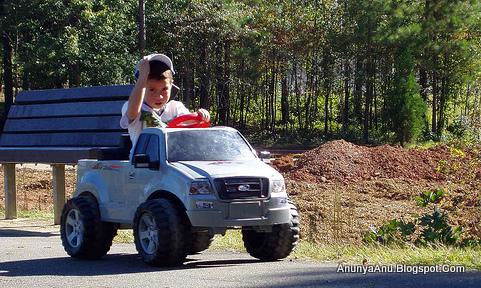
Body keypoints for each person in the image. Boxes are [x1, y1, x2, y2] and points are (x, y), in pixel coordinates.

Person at [120, 53, 210, 150]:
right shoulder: (134, 107)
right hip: (143, 161)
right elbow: (132, 113)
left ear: (171, 86)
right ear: (142, 87)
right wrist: (143, 76)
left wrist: (202, 116)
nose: (159, 96)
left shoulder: (175, 108)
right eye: (151, 90)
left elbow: (191, 126)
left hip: (174, 159)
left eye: (164, 89)